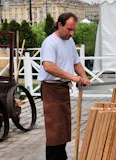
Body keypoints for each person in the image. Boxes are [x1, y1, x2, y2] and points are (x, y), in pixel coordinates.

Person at [37, 12, 90, 160]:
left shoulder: (70, 41)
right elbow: (48, 66)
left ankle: (61, 156)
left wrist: (84, 77)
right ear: (60, 25)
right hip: (51, 88)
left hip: (62, 88)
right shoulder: (50, 42)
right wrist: (73, 77)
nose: (71, 33)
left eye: (73, 29)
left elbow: (76, 62)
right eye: (69, 29)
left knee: (63, 127)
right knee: (54, 129)